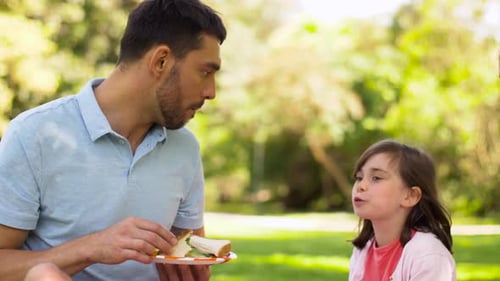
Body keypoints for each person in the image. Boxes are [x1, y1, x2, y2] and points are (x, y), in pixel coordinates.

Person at [0, 0, 226, 280]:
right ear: (161, 61)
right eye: (206, 72)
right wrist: (90, 248)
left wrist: (195, 270)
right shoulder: (35, 134)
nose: (211, 92)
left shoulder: (185, 147)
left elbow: (190, 261)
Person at [348, 139, 456, 281]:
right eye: (359, 177)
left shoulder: (429, 255)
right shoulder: (362, 250)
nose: (360, 186)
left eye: (376, 178)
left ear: (410, 196)